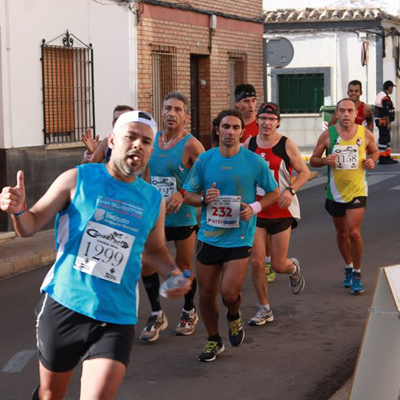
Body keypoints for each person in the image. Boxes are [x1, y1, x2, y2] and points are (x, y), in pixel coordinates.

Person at [0, 111, 190, 399]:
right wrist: (17, 209)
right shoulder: (77, 179)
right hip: (66, 303)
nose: (138, 145)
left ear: (151, 150)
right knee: (51, 394)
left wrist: (173, 273)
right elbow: (31, 224)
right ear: (112, 141)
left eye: (146, 141)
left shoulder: (152, 199)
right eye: (130, 137)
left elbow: (155, 249)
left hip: (118, 314)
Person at [184, 109, 280, 362]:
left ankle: (234, 315)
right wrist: (204, 199)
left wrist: (254, 207)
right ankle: (214, 340)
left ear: (242, 132)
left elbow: (273, 192)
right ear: (218, 129)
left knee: (228, 293)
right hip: (208, 236)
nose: (231, 132)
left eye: (236, 127)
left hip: (240, 237)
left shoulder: (254, 162)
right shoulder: (205, 160)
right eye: (226, 126)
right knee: (205, 295)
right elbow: (188, 194)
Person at [139, 91, 205, 341]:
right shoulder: (152, 141)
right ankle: (157, 313)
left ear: (186, 117)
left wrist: (183, 192)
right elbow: (145, 174)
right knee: (146, 263)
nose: (171, 113)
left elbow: (205, 173)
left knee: (184, 265)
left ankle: (189, 310)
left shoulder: (191, 144)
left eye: (178, 110)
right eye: (168, 108)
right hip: (155, 215)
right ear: (161, 112)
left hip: (182, 214)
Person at [243, 102, 309, 326]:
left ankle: (293, 268)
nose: (266, 123)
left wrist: (290, 190)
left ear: (278, 121)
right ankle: (264, 308)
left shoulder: (286, 144)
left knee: (279, 265)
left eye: (271, 119)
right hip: (257, 210)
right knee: (258, 262)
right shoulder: (249, 143)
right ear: (257, 120)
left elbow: (304, 171)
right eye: (262, 118)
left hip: (281, 209)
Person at [310, 98, 379, 294]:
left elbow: (375, 153)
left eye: (350, 110)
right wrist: (325, 160)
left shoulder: (364, 133)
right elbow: (313, 160)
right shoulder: (327, 135)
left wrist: (371, 161)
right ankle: (348, 266)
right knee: (341, 233)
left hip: (357, 189)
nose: (346, 114)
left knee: (354, 233)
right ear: (337, 113)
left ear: (356, 112)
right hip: (335, 191)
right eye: (342, 111)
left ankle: (357, 272)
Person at [374, 80, 398, 164]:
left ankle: (387, 156)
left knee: (387, 139)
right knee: (384, 139)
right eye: (392, 88)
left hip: (382, 120)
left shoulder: (382, 95)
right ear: (389, 87)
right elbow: (385, 111)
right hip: (383, 121)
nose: (392, 90)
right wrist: (388, 123)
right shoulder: (384, 97)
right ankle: (382, 157)